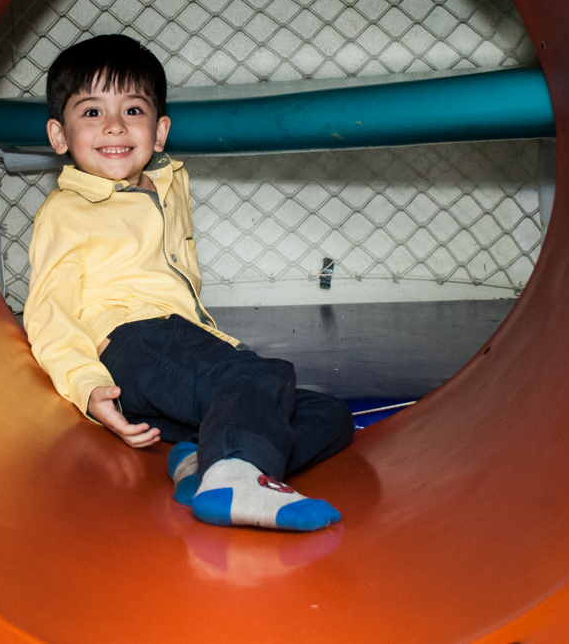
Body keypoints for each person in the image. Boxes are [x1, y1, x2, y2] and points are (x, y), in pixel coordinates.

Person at [24, 34, 354, 531]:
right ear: (59, 136)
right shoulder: (66, 212)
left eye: (132, 111)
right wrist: (88, 387)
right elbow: (48, 312)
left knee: (327, 414)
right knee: (255, 377)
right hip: (133, 343)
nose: (114, 126)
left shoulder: (165, 185)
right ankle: (239, 477)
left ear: (158, 133)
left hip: (176, 353)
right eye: (92, 113)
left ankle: (207, 462)